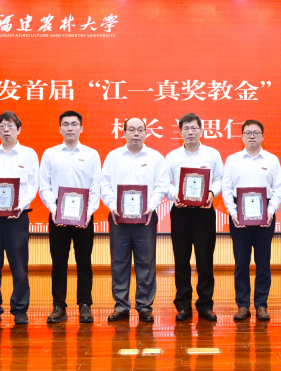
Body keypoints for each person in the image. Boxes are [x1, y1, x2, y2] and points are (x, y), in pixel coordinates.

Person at [100, 117, 169, 322]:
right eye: (131, 129)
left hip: (146, 218)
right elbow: (104, 184)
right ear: (124, 133)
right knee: (119, 262)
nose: (136, 133)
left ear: (146, 133)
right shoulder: (113, 157)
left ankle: (144, 306)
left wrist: (151, 206)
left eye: (140, 129)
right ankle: (121, 306)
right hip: (118, 217)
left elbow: (162, 185)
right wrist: (112, 206)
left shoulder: (156, 157)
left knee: (146, 262)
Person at [0, 111, 39, 325]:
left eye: (10, 126)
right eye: (2, 126)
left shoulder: (29, 154)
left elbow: (33, 185)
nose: (6, 129)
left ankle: (20, 308)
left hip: (17, 218)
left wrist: (20, 206)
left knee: (19, 266)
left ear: (18, 129)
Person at [39, 111, 101, 324]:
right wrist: (54, 209)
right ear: (60, 128)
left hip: (84, 217)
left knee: (84, 261)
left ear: (81, 128)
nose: (70, 128)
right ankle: (58, 305)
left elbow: (96, 187)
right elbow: (44, 186)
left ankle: (85, 304)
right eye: (65, 124)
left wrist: (88, 213)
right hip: (58, 215)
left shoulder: (92, 154)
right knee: (59, 262)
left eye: (74, 124)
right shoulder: (50, 154)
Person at [223, 120, 281, 321]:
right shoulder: (232, 160)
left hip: (265, 215)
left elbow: (279, 189)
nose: (252, 136)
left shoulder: (272, 160)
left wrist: (271, 211)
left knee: (263, 263)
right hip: (238, 216)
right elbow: (226, 189)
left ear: (263, 136)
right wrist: (233, 212)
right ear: (241, 136)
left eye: (256, 132)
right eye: (248, 133)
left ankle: (261, 305)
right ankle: (242, 305)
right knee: (241, 262)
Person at [165, 113, 223, 322]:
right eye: (186, 128)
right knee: (181, 259)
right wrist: (175, 195)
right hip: (181, 212)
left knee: (205, 260)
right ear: (180, 132)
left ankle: (205, 305)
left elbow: (219, 179)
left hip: (204, 211)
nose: (190, 132)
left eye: (194, 128)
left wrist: (211, 193)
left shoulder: (212, 154)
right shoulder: (172, 156)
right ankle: (183, 305)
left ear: (201, 130)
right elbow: (165, 183)